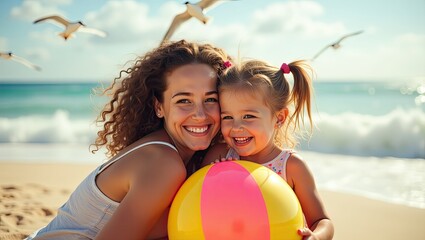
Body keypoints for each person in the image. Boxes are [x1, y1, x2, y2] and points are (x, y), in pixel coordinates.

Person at [26, 40, 231, 240]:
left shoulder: (175, 154)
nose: (200, 114)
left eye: (210, 99)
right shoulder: (162, 163)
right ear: (159, 107)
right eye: (184, 101)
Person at [202, 59, 334, 239]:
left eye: (248, 116)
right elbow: (203, 206)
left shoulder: (292, 167)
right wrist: (216, 176)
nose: (236, 127)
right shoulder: (220, 154)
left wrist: (316, 237)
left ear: (279, 118)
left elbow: (322, 220)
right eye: (227, 117)